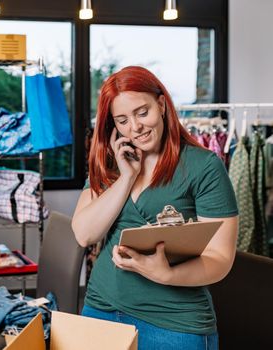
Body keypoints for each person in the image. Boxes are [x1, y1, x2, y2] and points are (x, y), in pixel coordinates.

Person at [72, 66, 238, 350]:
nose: (135, 128)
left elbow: (220, 258)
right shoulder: (111, 163)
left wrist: (167, 274)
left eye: (142, 112)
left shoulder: (203, 166)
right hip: (101, 310)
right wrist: (126, 178)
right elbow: (85, 235)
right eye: (122, 120)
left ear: (161, 104)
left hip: (174, 324)